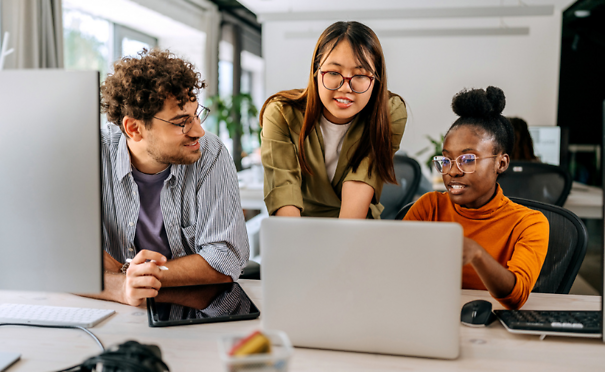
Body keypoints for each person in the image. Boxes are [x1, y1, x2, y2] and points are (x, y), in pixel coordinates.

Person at [84, 49, 249, 307]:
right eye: (182, 122)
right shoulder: (90, 154)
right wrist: (120, 288)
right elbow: (60, 259)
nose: (199, 131)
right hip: (111, 308)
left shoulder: (211, 153)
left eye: (196, 115)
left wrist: (130, 274)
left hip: (193, 310)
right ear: (134, 128)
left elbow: (225, 259)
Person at [403, 86, 549, 310]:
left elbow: (516, 297)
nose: (452, 171)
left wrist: (477, 254)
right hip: (429, 313)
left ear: (501, 163)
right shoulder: (429, 206)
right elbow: (397, 267)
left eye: (468, 159)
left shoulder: (529, 223)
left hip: (493, 325)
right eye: (446, 160)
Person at [260, 21, 407, 219]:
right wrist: (294, 246)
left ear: (376, 79)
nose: (345, 87)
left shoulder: (389, 112)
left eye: (361, 75)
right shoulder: (281, 112)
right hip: (300, 229)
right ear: (316, 71)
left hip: (355, 230)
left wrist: (337, 248)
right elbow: (283, 191)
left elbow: (361, 182)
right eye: (333, 72)